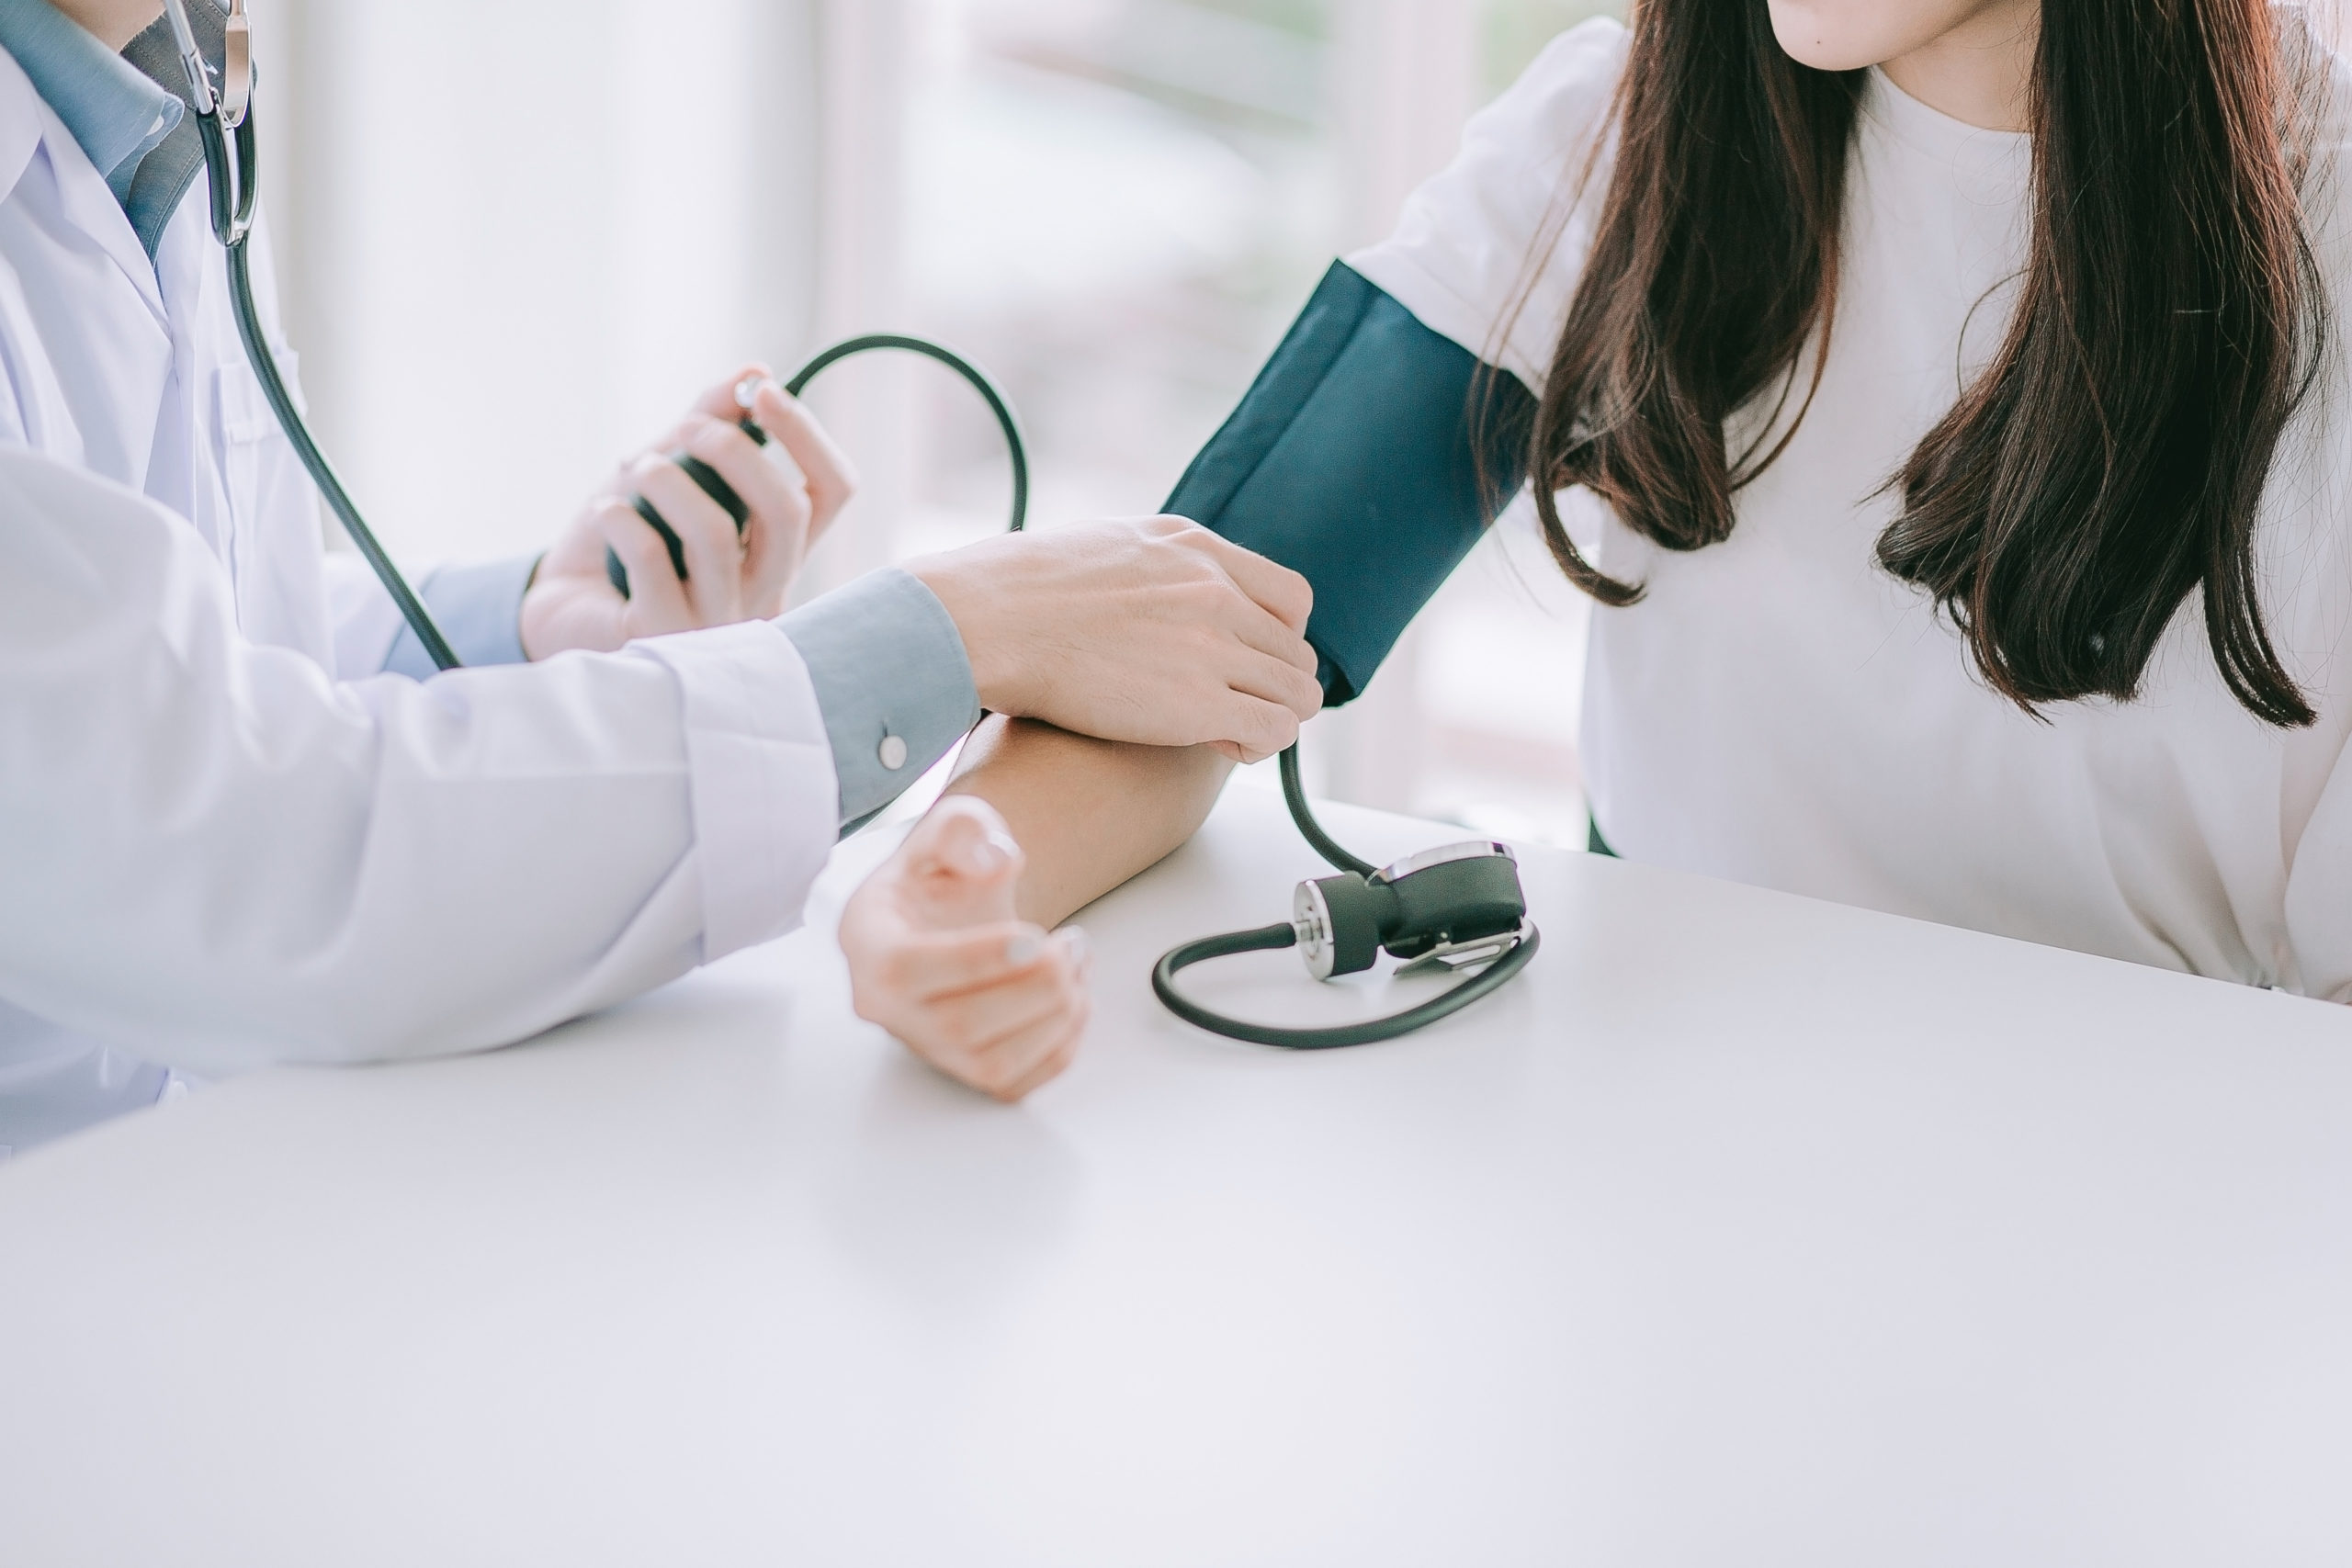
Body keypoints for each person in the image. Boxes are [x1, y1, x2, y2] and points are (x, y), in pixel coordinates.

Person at [844, 0, 2352, 1098]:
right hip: (1649, 1198)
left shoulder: (2328, 223)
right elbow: (1196, 641)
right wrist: (949, 898)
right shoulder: (1622, 125)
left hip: (2141, 1258)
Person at [0, 0, 1323, 1152]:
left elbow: (131, 663)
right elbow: (235, 845)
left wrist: (521, 629)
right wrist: (948, 636)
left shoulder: (134, 98)